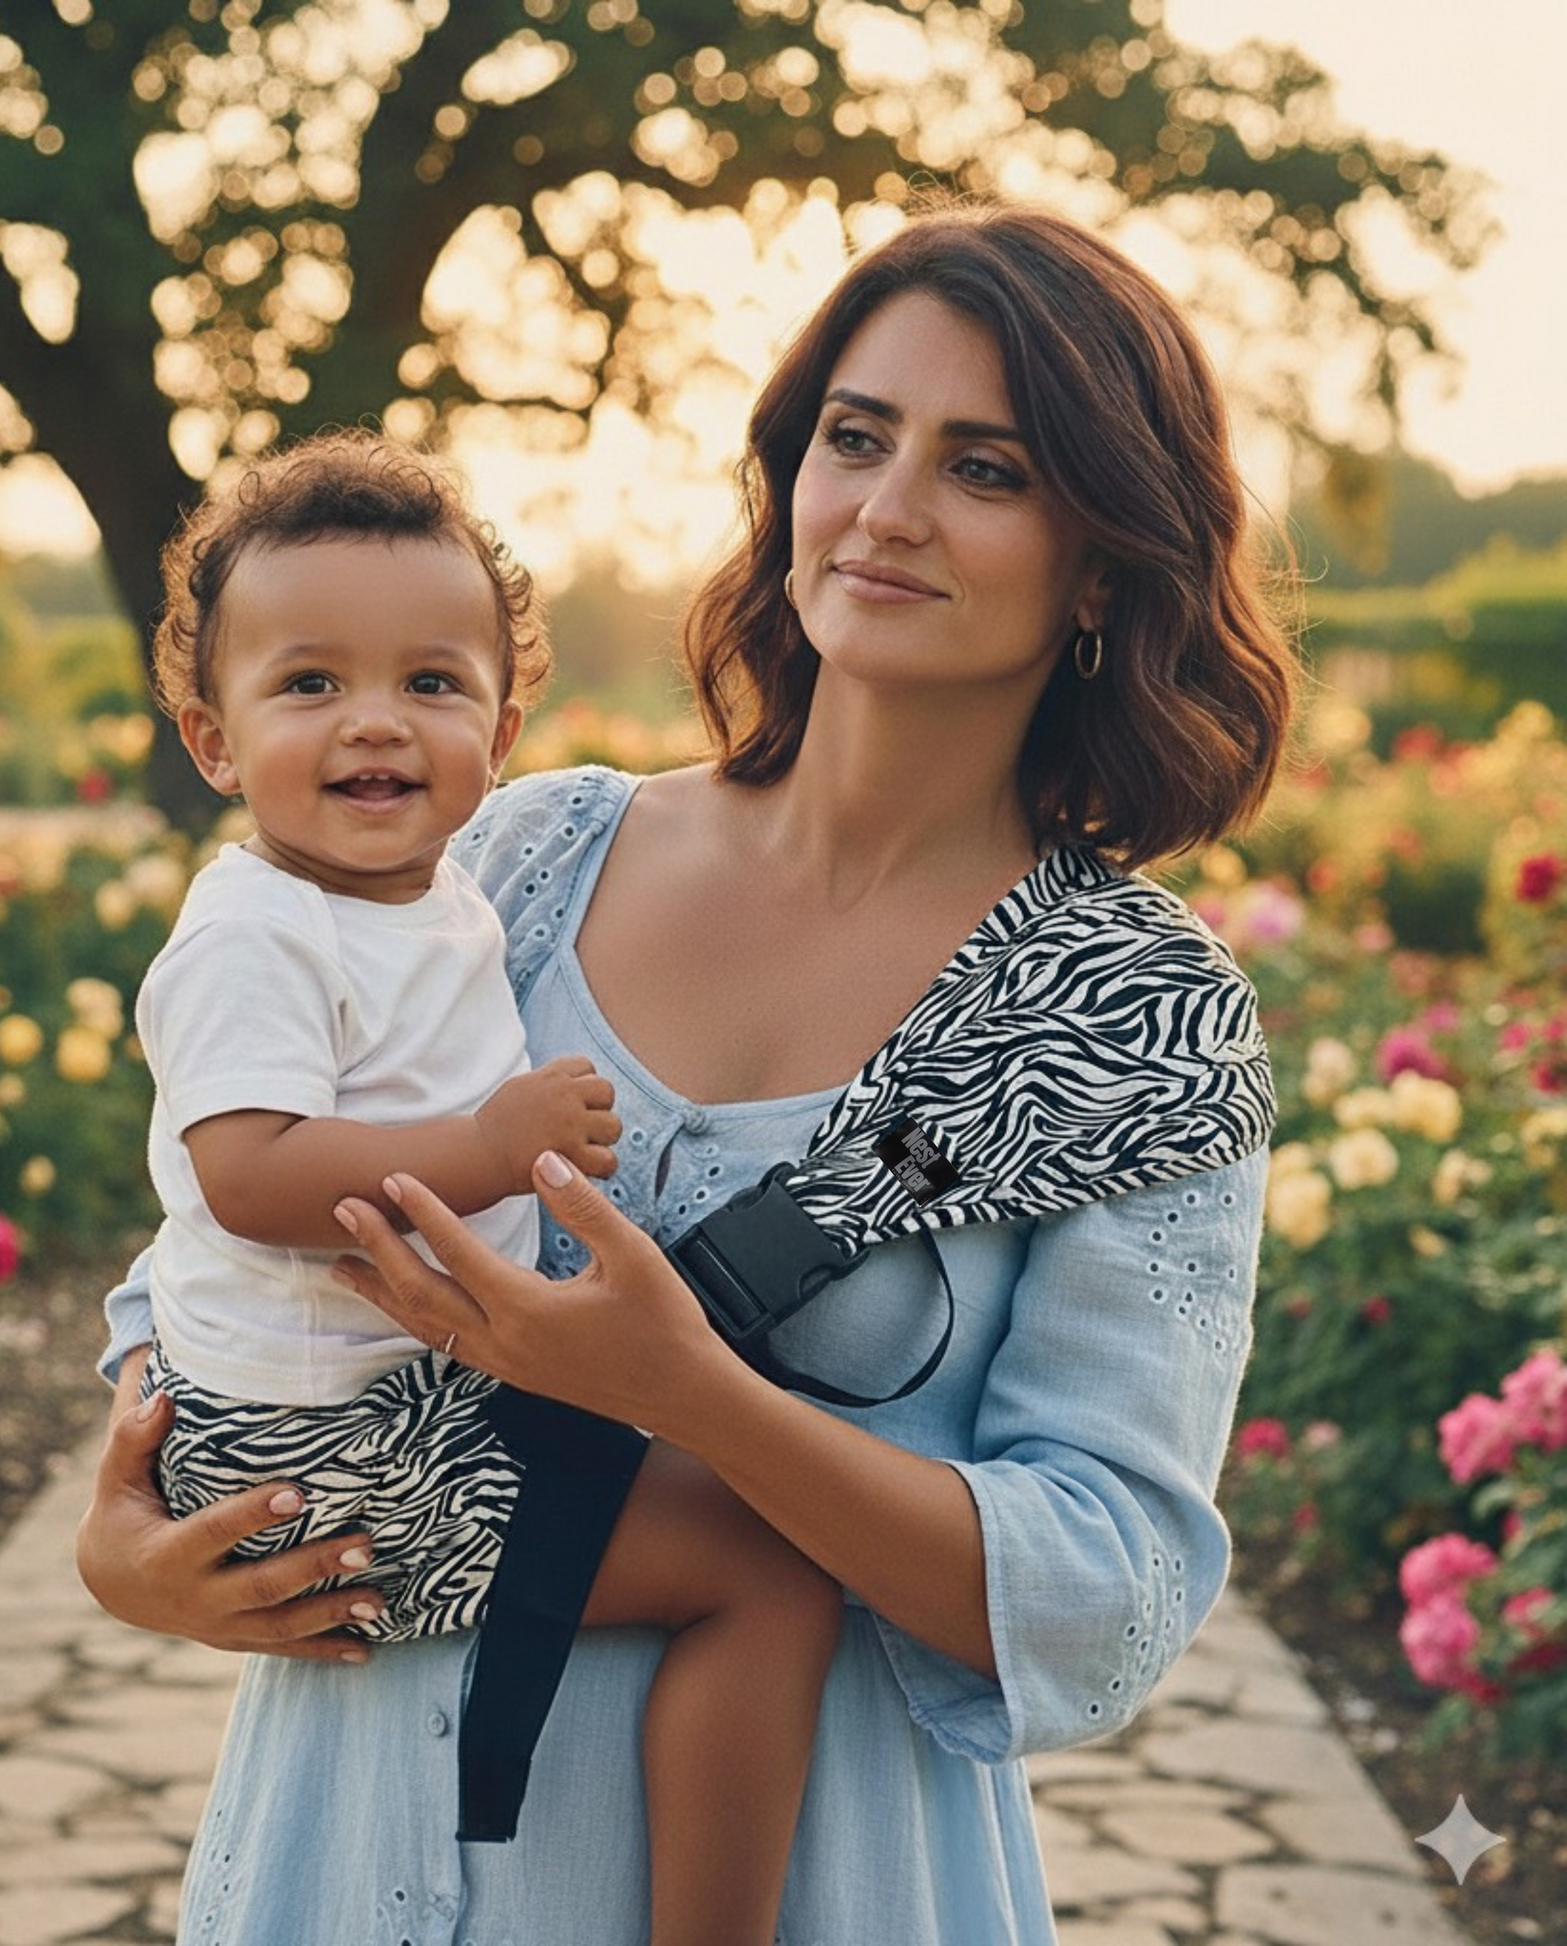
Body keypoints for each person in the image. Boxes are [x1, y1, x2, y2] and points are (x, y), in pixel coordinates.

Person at [79, 196, 1299, 1944]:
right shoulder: (516, 860)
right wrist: (124, 1541)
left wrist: (698, 1394)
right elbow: (220, 1240)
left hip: (828, 1879)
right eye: (854, 438)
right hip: (354, 1848)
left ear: (1105, 559)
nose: (883, 509)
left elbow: (1102, 1608)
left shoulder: (1132, 1016)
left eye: (987, 469)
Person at [127, 430, 842, 1945]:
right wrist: (488, 1142)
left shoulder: (435, 894)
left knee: (719, 1499)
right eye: (308, 683)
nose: (374, 723)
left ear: (502, 727)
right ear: (211, 739)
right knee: (762, 1577)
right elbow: (245, 1177)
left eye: (429, 683)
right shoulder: (256, 933)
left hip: (385, 1403)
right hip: (313, 1451)